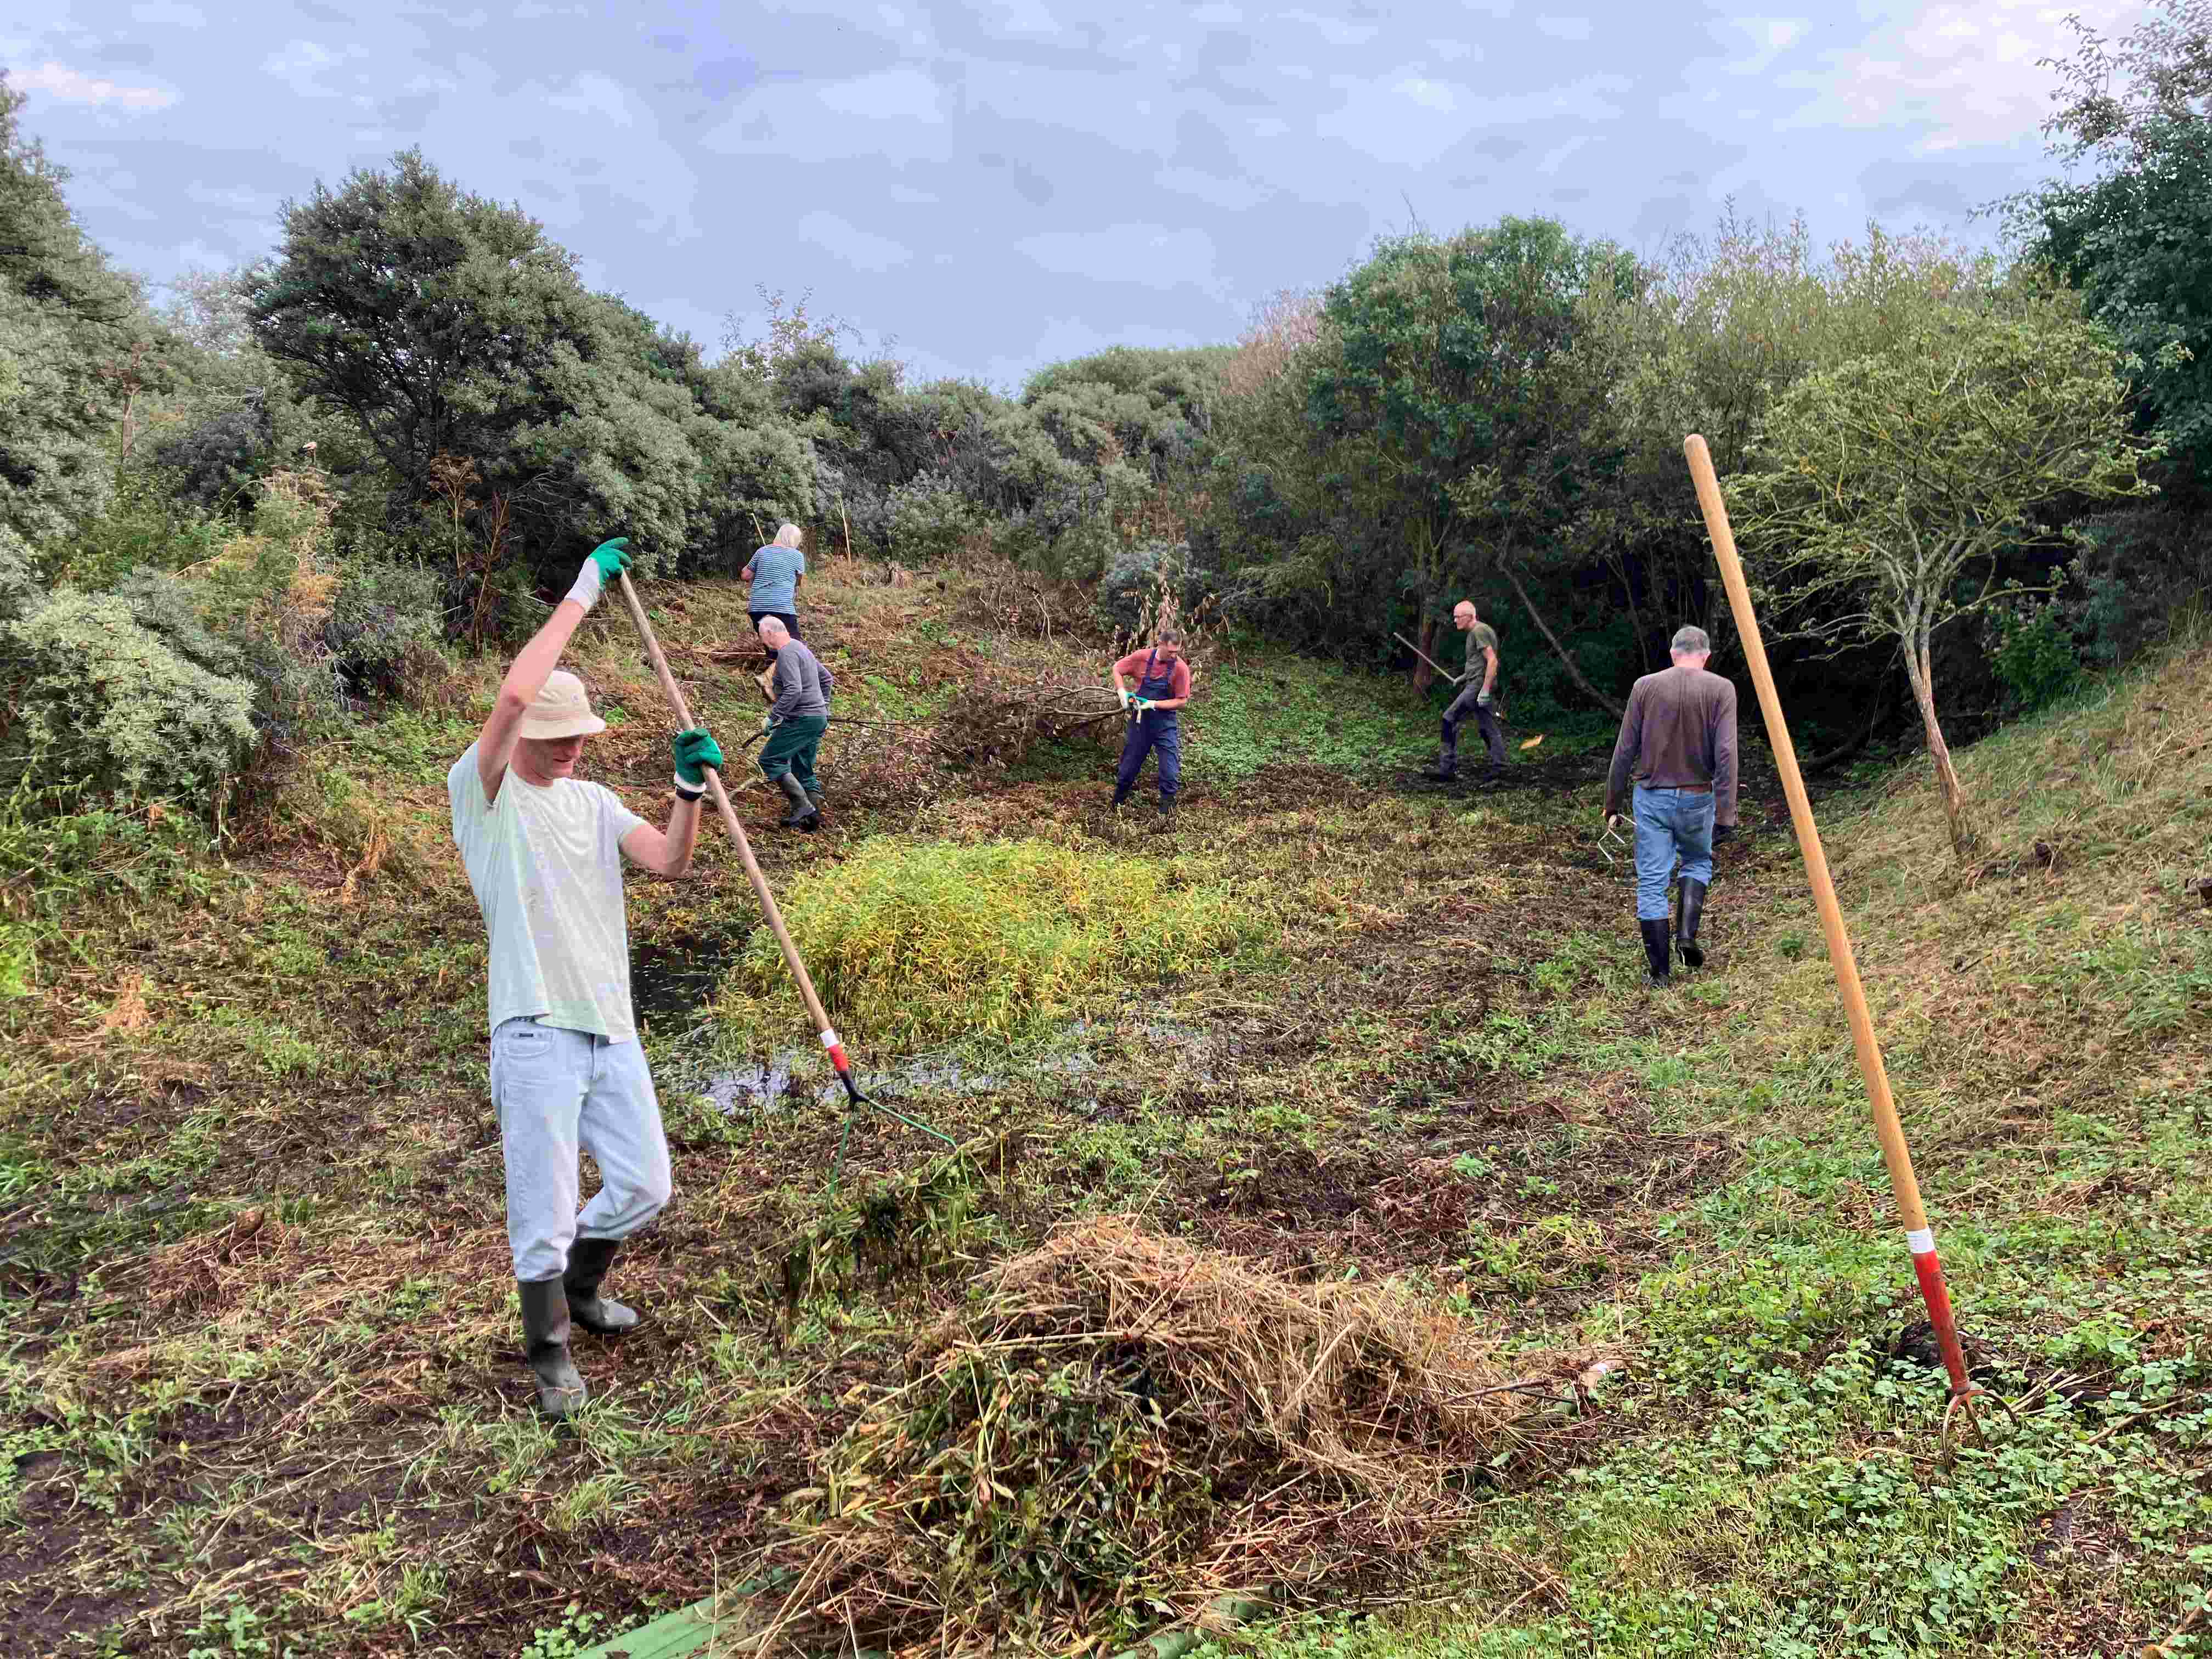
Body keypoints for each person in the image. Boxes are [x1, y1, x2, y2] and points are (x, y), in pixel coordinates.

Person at [447, 536, 725, 1419]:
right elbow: (519, 691)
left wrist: (687, 791)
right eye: (556, 737)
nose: (570, 748)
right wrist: (583, 589)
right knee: (546, 1203)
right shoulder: (485, 792)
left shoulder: (595, 801)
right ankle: (549, 1353)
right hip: (533, 1027)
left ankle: (580, 1287)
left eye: (580, 737)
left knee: (646, 1184)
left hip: (612, 1023)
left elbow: (668, 864)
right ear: (525, 734)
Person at [1602, 624, 1739, 986]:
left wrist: (1612, 802)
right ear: (1706, 656)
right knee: (1697, 861)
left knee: (1651, 881)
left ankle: (1660, 974)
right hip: (1698, 796)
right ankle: (1686, 937)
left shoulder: (1645, 687)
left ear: (1673, 654)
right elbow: (1726, 753)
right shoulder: (1721, 689)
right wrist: (1726, 813)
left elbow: (1624, 750)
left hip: (1652, 798)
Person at [1109, 628, 1193, 825]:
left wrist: (1154, 704)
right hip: (1141, 722)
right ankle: (1116, 806)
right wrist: (1122, 692)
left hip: (1165, 724)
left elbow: (1182, 701)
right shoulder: (1142, 657)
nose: (1175, 656)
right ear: (1160, 644)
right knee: (1128, 768)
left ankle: (1166, 816)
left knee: (1170, 772)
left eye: (1177, 652)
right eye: (1171, 651)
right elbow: (1117, 669)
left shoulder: (1180, 669)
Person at [757, 615, 832, 830]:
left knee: (771, 759)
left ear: (770, 633)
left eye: (763, 637)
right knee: (802, 769)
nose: (764, 642)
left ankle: (802, 806)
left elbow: (794, 690)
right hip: (816, 719)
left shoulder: (787, 653)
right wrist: (822, 706)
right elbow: (826, 678)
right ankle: (812, 822)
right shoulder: (801, 648)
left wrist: (773, 716)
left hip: (801, 719)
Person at [1427, 600, 1506, 783]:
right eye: (1454, 617)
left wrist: (1485, 690)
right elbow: (1480, 663)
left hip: (1478, 685)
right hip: (1476, 681)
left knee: (1449, 718)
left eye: (1458, 617)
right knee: (1488, 726)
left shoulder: (1478, 631)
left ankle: (1447, 769)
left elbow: (1493, 661)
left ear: (1470, 616)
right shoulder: (1480, 631)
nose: (1455, 620)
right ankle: (1500, 767)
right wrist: (1462, 678)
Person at [741, 523, 807, 655]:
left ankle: (774, 670)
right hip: (782, 607)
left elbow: (745, 575)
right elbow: (799, 581)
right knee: (794, 646)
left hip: (758, 608)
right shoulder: (797, 556)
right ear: (794, 540)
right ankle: (789, 671)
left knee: (772, 646)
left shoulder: (762, 551)